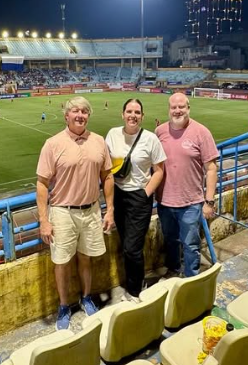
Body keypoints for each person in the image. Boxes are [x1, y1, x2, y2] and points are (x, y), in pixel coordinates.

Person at [37, 96, 114, 330]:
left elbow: (107, 176)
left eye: (84, 111)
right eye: (75, 111)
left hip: (91, 210)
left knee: (86, 258)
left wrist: (109, 210)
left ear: (88, 115)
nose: (80, 115)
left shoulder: (99, 141)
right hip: (62, 211)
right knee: (61, 262)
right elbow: (42, 183)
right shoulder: (53, 144)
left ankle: (87, 297)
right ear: (66, 116)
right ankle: (63, 305)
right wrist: (44, 220)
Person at [105, 99, 166, 302]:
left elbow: (159, 171)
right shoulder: (113, 134)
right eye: (129, 111)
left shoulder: (150, 139)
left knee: (133, 247)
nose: (133, 115)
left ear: (142, 116)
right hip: (119, 194)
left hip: (139, 197)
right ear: (122, 114)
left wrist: (145, 193)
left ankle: (135, 290)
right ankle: (132, 283)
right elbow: (105, 165)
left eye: (137, 112)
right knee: (126, 245)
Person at [155, 92, 219, 278]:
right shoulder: (160, 132)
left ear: (188, 108)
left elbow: (211, 169)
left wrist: (209, 201)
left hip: (191, 202)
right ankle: (173, 270)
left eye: (181, 107)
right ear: (169, 109)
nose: (177, 110)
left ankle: (191, 278)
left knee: (191, 244)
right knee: (170, 240)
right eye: (173, 107)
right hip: (165, 201)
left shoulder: (201, 132)